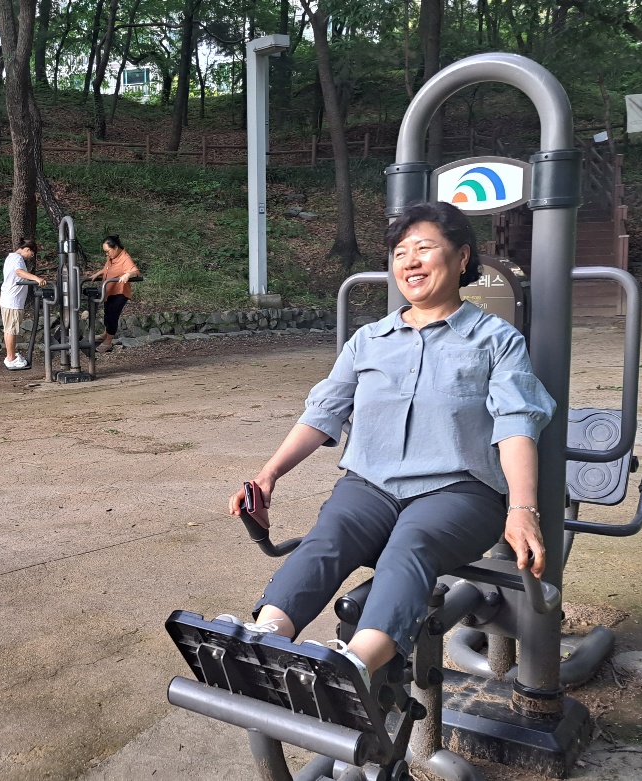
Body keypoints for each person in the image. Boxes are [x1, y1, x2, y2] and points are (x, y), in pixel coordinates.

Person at [216, 201, 556, 689]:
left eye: (424, 248)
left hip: (459, 491)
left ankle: (352, 669)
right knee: (329, 534)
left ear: (462, 258)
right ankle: (265, 641)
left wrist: (522, 508)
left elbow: (517, 423)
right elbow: (322, 413)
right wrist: (268, 475)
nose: (410, 262)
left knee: (411, 544)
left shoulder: (495, 340)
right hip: (371, 485)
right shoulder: (369, 340)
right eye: (400, 253)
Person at [0, 238, 46, 370]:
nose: (30, 257)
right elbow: (19, 272)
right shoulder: (17, 259)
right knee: (11, 330)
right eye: (31, 254)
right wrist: (36, 278)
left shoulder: (11, 258)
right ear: (27, 249)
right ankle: (10, 358)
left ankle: (11, 356)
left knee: (10, 329)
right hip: (12, 301)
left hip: (10, 299)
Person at [87, 236, 140, 352]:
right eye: (105, 252)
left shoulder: (125, 258)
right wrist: (98, 273)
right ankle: (105, 334)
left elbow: (135, 271)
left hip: (119, 292)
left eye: (108, 251)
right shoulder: (112, 257)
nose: (107, 254)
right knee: (107, 313)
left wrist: (127, 275)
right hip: (109, 291)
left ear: (115, 247)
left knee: (112, 315)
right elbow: (109, 268)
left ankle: (108, 341)